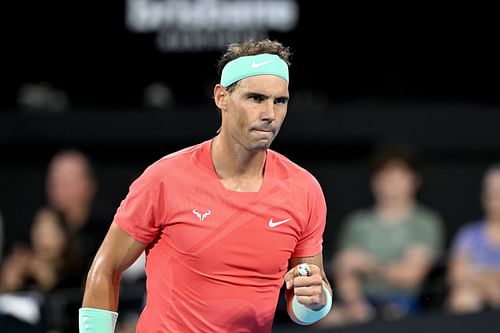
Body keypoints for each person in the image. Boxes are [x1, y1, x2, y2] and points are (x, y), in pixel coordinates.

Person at [79, 39, 333, 333]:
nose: (270, 115)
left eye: (280, 101)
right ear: (222, 97)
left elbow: (303, 303)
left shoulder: (304, 190)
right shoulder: (164, 178)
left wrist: (317, 301)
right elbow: (105, 268)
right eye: (255, 98)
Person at [321, 146, 444, 326]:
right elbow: (345, 268)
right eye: (385, 175)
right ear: (375, 181)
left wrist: (369, 265)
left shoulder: (426, 223)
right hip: (363, 303)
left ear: (414, 180)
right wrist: (356, 303)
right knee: (325, 318)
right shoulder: (357, 223)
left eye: (398, 175)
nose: (391, 182)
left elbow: (411, 275)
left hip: (405, 303)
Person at [447, 163, 500, 313]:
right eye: (494, 193)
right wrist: (489, 286)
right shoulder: (469, 234)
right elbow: (457, 274)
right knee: (463, 298)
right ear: (484, 197)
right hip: (477, 295)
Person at [45, 149, 108, 272]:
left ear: (88, 186)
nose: (59, 189)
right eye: (54, 182)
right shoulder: (35, 229)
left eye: (67, 182)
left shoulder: (105, 232)